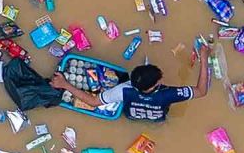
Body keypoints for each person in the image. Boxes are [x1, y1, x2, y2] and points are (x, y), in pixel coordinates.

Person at [50, 45, 212, 123]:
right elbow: (201, 91)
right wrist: (204, 59)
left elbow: (93, 101)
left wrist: (66, 84)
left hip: (131, 115)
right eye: (159, 80)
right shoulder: (168, 94)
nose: (161, 80)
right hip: (157, 117)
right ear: (153, 86)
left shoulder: (123, 90)